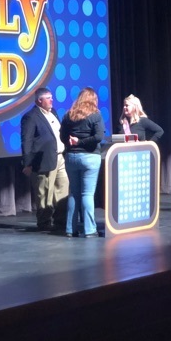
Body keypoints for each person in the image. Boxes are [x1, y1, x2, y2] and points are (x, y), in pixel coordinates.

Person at [20, 87, 69, 232]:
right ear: (39, 100)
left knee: (63, 188)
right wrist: (27, 163)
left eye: (51, 97)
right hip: (44, 160)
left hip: (60, 157)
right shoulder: (30, 117)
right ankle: (44, 222)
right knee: (45, 193)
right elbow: (27, 141)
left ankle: (61, 220)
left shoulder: (53, 112)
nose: (52, 100)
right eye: (48, 98)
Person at [60, 87, 104, 238]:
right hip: (90, 157)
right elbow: (98, 137)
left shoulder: (69, 115)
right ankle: (90, 230)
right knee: (87, 194)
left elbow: (62, 137)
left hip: (71, 157)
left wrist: (72, 142)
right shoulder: (96, 115)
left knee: (74, 193)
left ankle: (70, 229)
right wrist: (81, 141)